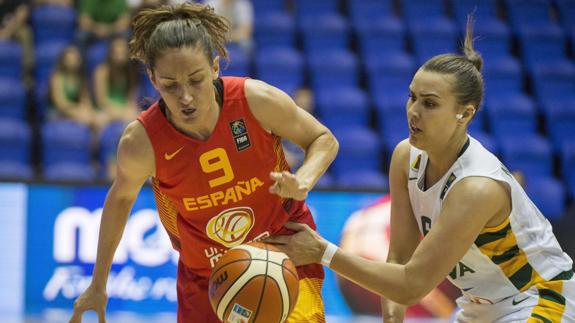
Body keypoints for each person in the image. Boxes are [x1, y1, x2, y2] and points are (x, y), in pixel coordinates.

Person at [266, 17, 575, 323]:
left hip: (540, 299)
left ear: (464, 114)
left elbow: (411, 285)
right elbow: (399, 258)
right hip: (479, 305)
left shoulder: (476, 186)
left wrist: (322, 252)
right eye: (412, 97)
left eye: (429, 104)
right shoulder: (405, 157)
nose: (413, 111)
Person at [69, 3, 338, 323]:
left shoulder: (256, 100)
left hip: (284, 252)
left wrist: (304, 179)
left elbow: (323, 140)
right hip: (207, 277)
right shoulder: (141, 142)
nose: (186, 97)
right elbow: (120, 199)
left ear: (214, 67)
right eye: (170, 85)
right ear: (153, 79)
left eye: (196, 80)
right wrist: (98, 284)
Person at [50, 45, 107, 129]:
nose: (72, 62)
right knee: (86, 118)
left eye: (75, 59)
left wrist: (86, 109)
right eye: (69, 59)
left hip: (77, 109)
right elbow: (61, 104)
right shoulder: (57, 78)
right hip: (59, 112)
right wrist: (78, 111)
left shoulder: (80, 78)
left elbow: (85, 99)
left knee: (99, 117)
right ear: (63, 61)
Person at [93, 37, 141, 123]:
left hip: (124, 108)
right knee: (98, 121)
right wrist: (118, 111)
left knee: (139, 119)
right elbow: (101, 100)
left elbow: (131, 98)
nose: (120, 55)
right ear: (111, 53)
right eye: (117, 52)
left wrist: (129, 109)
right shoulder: (102, 71)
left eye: (123, 52)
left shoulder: (129, 72)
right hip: (106, 109)